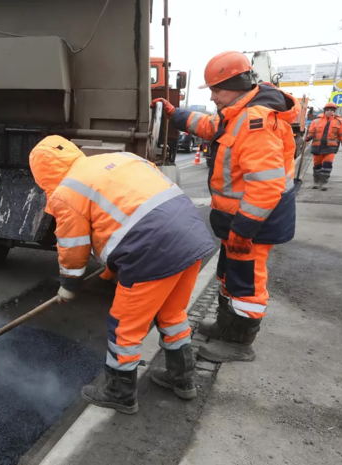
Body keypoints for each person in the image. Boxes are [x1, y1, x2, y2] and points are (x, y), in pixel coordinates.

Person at [29, 136, 216, 415]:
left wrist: (69, 285)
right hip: (191, 237)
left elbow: (73, 244)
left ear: (42, 174)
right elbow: (128, 212)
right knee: (172, 314)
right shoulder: (120, 158)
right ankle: (183, 379)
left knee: (124, 327)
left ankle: (120, 393)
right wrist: (111, 269)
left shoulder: (67, 191)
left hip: (152, 250)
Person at [153, 51, 299, 363]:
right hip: (241, 218)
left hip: (255, 222)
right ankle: (225, 325)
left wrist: (244, 229)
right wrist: (174, 114)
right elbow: (210, 126)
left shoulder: (255, 121)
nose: (215, 97)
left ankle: (239, 342)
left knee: (247, 281)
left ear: (237, 85)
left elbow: (266, 184)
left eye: (217, 90)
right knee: (230, 274)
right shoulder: (238, 113)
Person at [305, 102, 342, 190]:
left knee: (327, 164)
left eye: (331, 110)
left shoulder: (339, 121)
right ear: (325, 111)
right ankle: (316, 181)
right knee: (317, 165)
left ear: (334, 111)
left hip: (331, 147)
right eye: (328, 110)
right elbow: (311, 133)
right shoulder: (316, 121)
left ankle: (323, 183)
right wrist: (307, 138)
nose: (329, 112)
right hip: (317, 147)